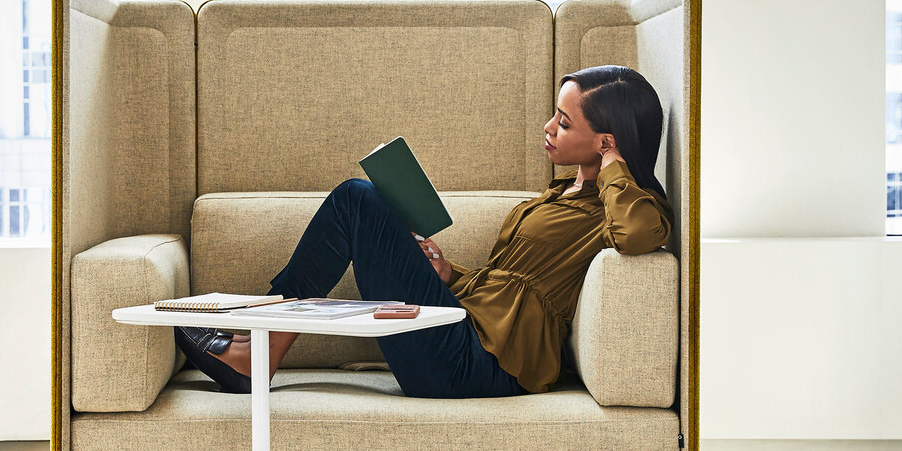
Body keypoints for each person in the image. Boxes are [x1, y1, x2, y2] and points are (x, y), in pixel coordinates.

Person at [176, 64, 672, 398]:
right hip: (462, 334)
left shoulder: (623, 206)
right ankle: (258, 345)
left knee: (357, 198)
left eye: (563, 123)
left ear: (605, 141)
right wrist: (450, 272)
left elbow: (640, 234)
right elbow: (509, 287)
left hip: (482, 365)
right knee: (359, 202)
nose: (548, 127)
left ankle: (258, 348)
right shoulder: (560, 193)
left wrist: (613, 167)